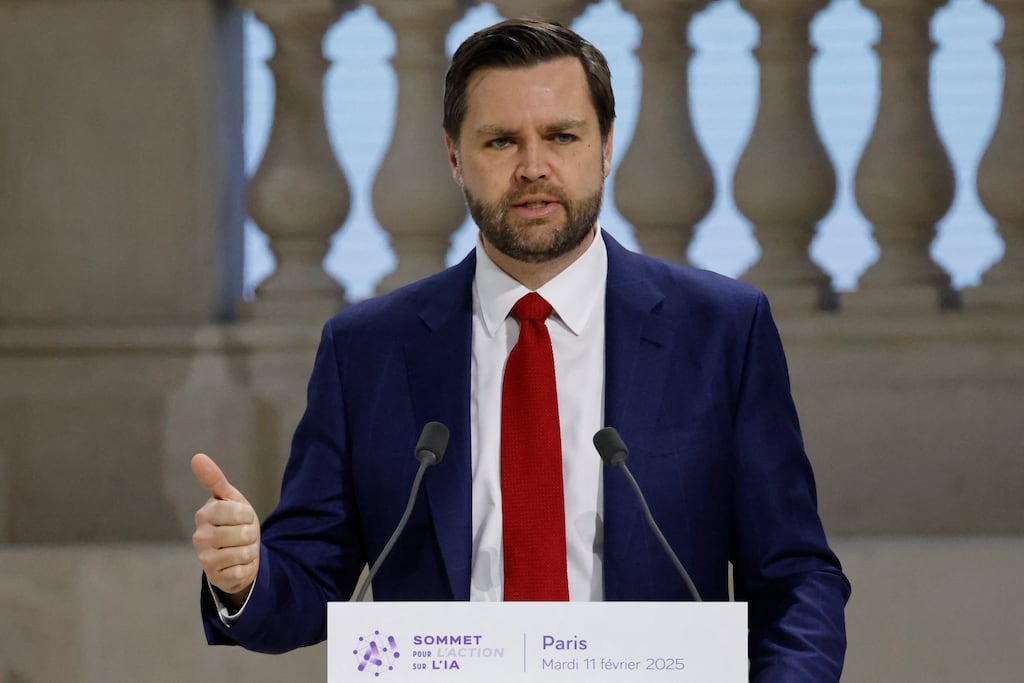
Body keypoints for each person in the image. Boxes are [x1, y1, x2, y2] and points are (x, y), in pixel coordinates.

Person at [191, 17, 851, 680]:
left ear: (606, 148)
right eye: (502, 141)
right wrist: (247, 576)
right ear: (455, 157)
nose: (534, 167)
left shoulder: (720, 332)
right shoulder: (366, 351)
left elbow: (794, 576)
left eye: (562, 136)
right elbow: (310, 581)